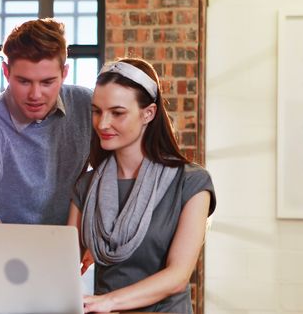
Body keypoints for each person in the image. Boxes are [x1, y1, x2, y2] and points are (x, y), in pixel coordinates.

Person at [67, 58, 216, 313]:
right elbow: (65, 266)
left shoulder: (191, 183)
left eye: (117, 113)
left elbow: (178, 276)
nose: (103, 124)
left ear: (148, 113)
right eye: (97, 111)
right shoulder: (86, 186)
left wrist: (108, 301)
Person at [0, 18, 93, 224]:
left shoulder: (86, 105)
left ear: (64, 73)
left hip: (67, 245)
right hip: (2, 245)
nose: (35, 95)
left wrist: (94, 229)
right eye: (24, 81)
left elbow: (116, 167)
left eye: (47, 82)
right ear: (6, 72)